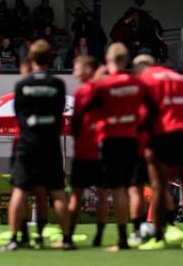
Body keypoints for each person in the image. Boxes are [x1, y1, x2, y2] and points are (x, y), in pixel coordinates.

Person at [80, 42, 154, 251]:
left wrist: (96, 79)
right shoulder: (136, 83)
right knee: (126, 190)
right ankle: (128, 236)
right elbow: (150, 110)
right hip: (130, 140)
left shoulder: (104, 85)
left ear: (108, 60)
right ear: (125, 60)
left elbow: (86, 106)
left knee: (111, 190)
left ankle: (117, 238)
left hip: (109, 140)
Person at [2, 40, 73, 251]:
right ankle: (67, 239)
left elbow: (18, 113)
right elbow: (60, 112)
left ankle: (14, 239)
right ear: (50, 59)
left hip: (27, 143)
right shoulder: (57, 84)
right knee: (57, 191)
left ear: (31, 59)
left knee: (20, 190)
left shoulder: (22, 85)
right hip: (50, 143)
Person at [134, 53, 183, 250]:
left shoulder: (146, 79)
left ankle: (158, 238)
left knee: (159, 186)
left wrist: (143, 141)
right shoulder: (177, 77)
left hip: (162, 134)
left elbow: (143, 112)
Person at [68, 55, 111, 247]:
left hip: (89, 149)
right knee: (97, 194)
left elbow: (76, 122)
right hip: (95, 148)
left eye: (77, 67)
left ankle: (69, 237)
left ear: (88, 68)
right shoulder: (104, 89)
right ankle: (97, 236)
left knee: (80, 194)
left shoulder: (86, 91)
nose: (73, 72)